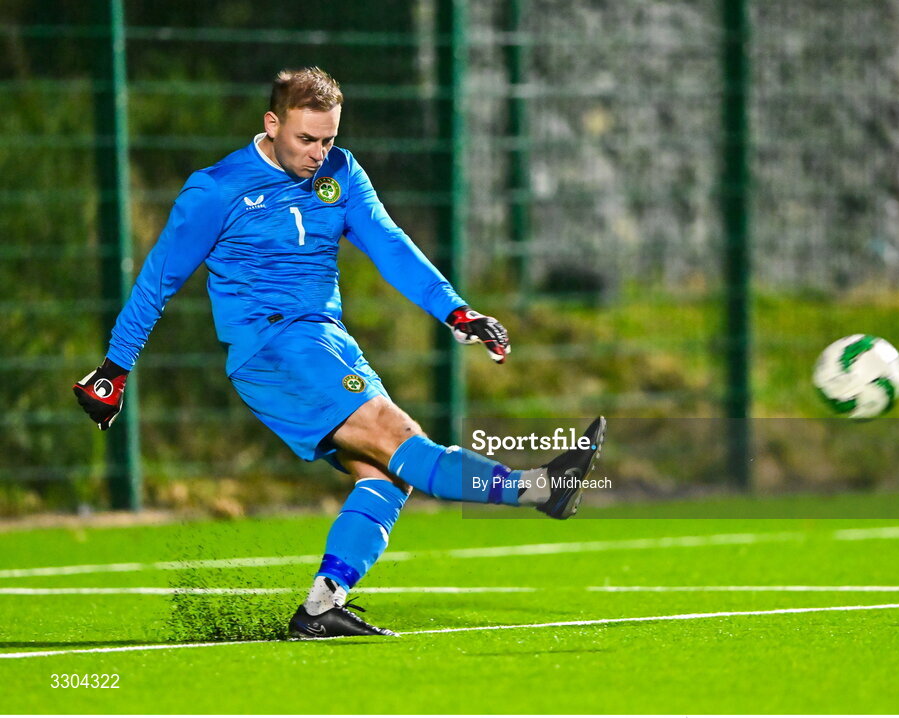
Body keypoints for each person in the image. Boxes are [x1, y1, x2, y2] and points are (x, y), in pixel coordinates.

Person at [73, 67, 605, 638]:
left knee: (384, 473)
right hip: (274, 349)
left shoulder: (342, 173)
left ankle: (323, 607)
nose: (318, 152)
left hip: (327, 343)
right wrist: (114, 368)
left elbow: (390, 246)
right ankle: (539, 488)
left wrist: (457, 312)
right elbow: (158, 280)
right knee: (399, 438)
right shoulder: (217, 188)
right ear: (272, 124)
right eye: (306, 139)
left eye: (328, 139)